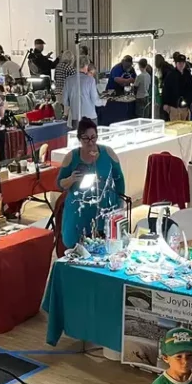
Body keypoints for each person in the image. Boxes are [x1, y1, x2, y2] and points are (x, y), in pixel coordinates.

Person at [56, 117, 125, 249]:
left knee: (105, 247)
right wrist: (71, 179)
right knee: (76, 247)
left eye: (93, 137)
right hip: (79, 211)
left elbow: (119, 179)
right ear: (79, 139)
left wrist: (120, 202)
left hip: (104, 210)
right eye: (86, 138)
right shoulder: (71, 157)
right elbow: (59, 183)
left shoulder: (108, 153)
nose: (90, 142)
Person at [62, 60, 105, 124]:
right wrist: (104, 101)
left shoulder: (68, 80)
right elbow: (95, 101)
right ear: (86, 66)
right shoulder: (91, 80)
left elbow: (65, 101)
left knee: (76, 134)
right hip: (90, 116)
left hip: (75, 117)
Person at [162, 53, 192, 121]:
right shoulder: (171, 75)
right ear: (176, 63)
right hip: (174, 106)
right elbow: (166, 89)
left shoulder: (188, 75)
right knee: (175, 126)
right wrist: (165, 103)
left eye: (183, 63)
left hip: (185, 106)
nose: (181, 64)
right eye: (179, 63)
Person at [53, 49, 76, 117]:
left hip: (58, 92)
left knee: (59, 113)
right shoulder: (69, 68)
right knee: (67, 114)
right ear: (71, 59)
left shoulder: (58, 66)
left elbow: (55, 78)